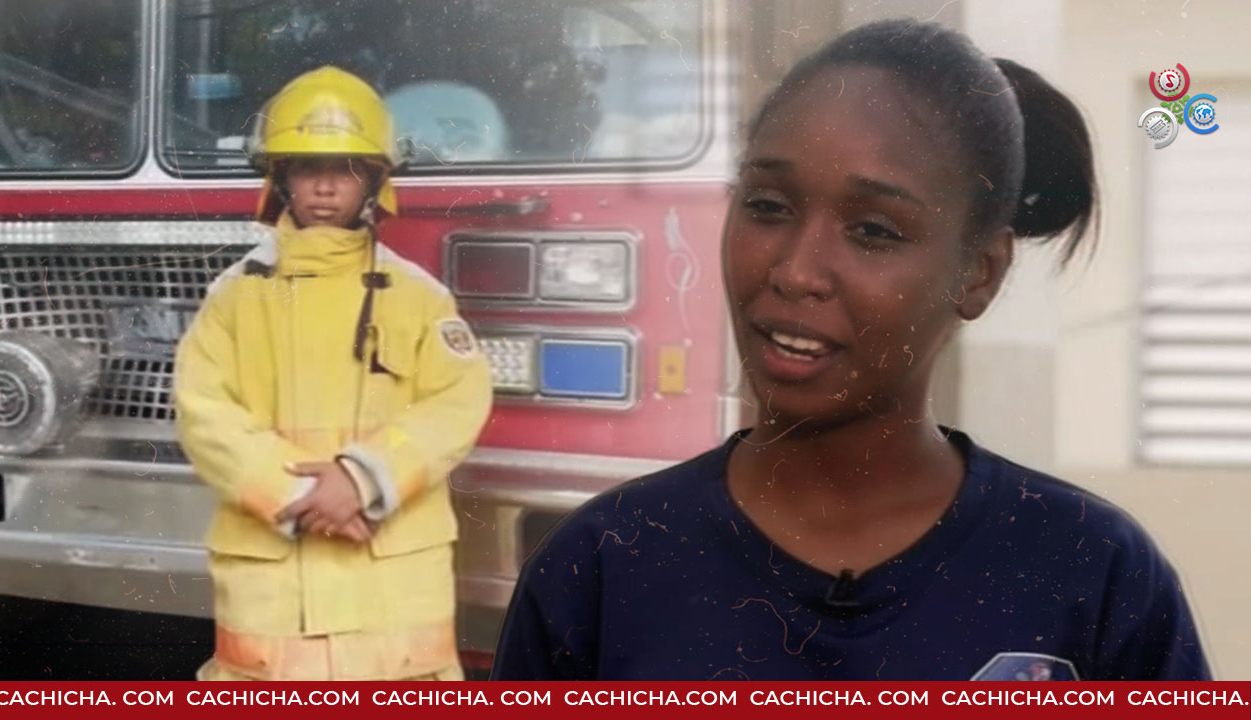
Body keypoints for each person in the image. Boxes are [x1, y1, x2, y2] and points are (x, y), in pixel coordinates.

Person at [491, 21, 1210, 681]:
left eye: (873, 230)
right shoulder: (603, 567)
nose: (796, 271)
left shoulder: (1094, 572)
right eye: (768, 206)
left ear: (978, 273)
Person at [175, 66, 492, 681]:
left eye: (345, 169)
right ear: (280, 179)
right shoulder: (234, 297)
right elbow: (203, 410)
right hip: (276, 601)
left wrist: (363, 478)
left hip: (391, 606)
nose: (325, 187)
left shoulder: (419, 297)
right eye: (306, 168)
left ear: (374, 179)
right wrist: (300, 496)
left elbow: (457, 400)